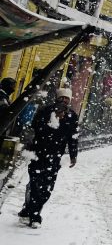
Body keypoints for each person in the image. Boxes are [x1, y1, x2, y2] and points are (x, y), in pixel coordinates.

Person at [18, 86, 79, 228]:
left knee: (47, 188)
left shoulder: (72, 116)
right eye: (61, 97)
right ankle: (35, 216)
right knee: (35, 184)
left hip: (55, 157)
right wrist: (52, 121)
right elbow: (36, 129)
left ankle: (29, 209)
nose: (63, 100)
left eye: (66, 98)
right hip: (38, 154)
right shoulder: (45, 111)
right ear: (56, 98)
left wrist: (73, 155)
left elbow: (73, 137)